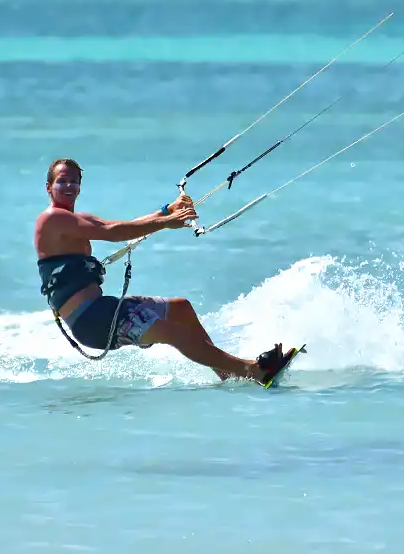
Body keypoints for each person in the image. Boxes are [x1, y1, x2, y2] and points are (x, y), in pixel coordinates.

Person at [34, 157, 292, 384]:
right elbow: (112, 233)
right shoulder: (52, 219)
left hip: (102, 309)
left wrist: (167, 211)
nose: (69, 186)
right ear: (49, 187)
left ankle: (226, 373)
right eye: (62, 181)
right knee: (171, 330)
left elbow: (123, 225)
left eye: (74, 181)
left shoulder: (76, 219)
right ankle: (253, 370)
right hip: (90, 320)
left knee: (181, 308)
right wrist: (167, 223)